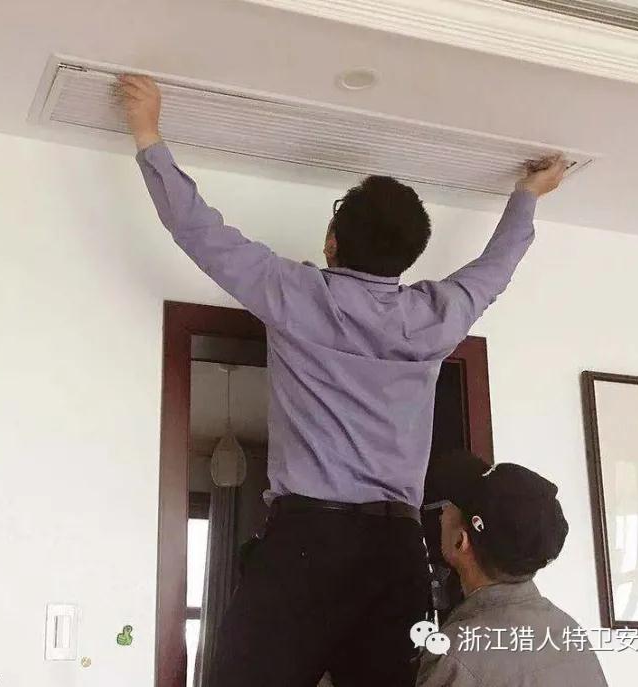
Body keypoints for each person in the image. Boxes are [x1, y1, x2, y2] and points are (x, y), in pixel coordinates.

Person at [118, 74, 567, 687]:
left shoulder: (295, 294)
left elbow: (199, 230)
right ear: (409, 258)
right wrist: (527, 195)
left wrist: (147, 131)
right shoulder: (435, 316)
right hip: (395, 551)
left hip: (306, 541)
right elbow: (496, 268)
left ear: (332, 241)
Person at [417, 450, 608, 687]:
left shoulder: (455, 657)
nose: (442, 514)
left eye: (448, 506)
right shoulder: (568, 633)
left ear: (460, 541)